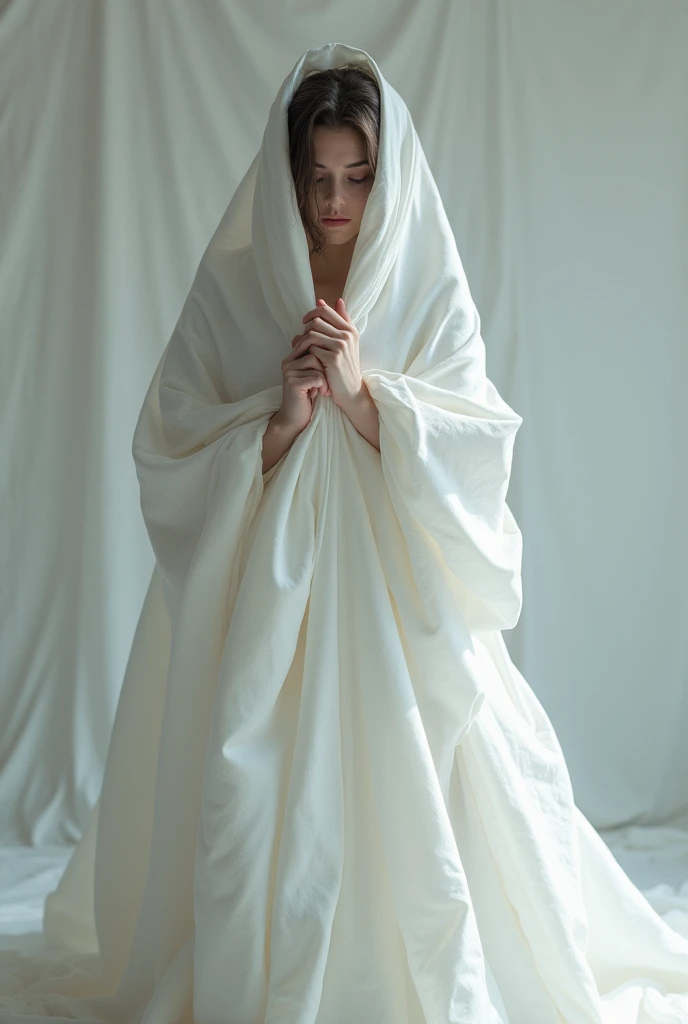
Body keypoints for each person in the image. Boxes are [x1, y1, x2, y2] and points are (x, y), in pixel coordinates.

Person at [1, 40, 688, 1024]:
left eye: (357, 178)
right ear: (288, 175)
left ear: (384, 174)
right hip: (268, 605)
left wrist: (370, 402)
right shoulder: (238, 280)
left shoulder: (419, 271)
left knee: (432, 794)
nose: (335, 202)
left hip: (393, 594)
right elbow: (169, 439)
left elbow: (478, 437)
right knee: (251, 788)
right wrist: (278, 422)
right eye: (317, 178)